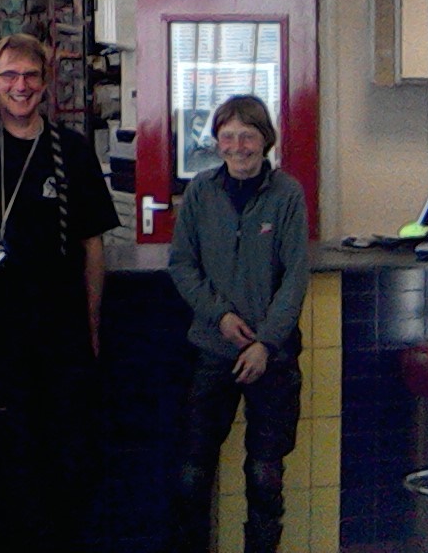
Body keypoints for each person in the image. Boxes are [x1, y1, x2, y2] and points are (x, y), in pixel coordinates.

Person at [0, 33, 119, 550]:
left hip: (59, 329)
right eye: (10, 75)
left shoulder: (71, 150)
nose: (21, 86)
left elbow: (92, 244)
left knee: (64, 450)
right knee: (1, 450)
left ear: (46, 83)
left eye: (31, 75)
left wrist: (91, 325)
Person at [167, 94, 309, 553]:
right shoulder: (200, 192)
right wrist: (221, 316)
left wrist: (265, 343)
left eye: (247, 136)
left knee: (265, 475)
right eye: (227, 136)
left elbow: (295, 277)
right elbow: (182, 265)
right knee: (192, 472)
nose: (237, 146)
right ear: (216, 142)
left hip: (272, 356)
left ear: (265, 139)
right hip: (212, 350)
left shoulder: (287, 194)